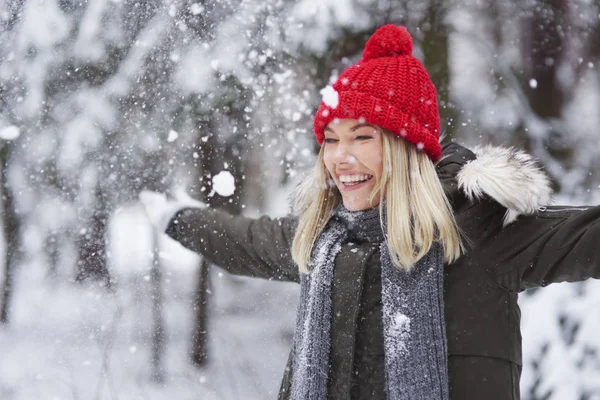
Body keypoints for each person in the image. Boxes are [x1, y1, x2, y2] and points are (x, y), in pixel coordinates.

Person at [141, 25, 600, 400]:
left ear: (406, 149)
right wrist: (175, 216)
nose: (340, 158)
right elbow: (243, 240)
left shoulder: (482, 230)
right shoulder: (324, 240)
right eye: (331, 139)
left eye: (362, 138)